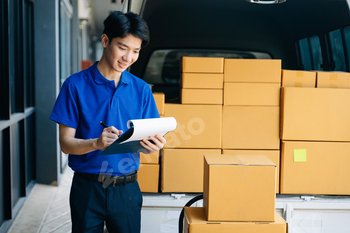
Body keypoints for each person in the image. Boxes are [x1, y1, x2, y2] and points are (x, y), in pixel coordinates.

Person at [50, 11, 166, 233]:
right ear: (105, 41)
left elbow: (150, 137)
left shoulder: (141, 89)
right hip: (87, 189)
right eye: (122, 48)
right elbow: (65, 144)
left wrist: (154, 147)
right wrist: (96, 143)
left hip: (127, 189)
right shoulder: (74, 86)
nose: (128, 58)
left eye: (135, 51)